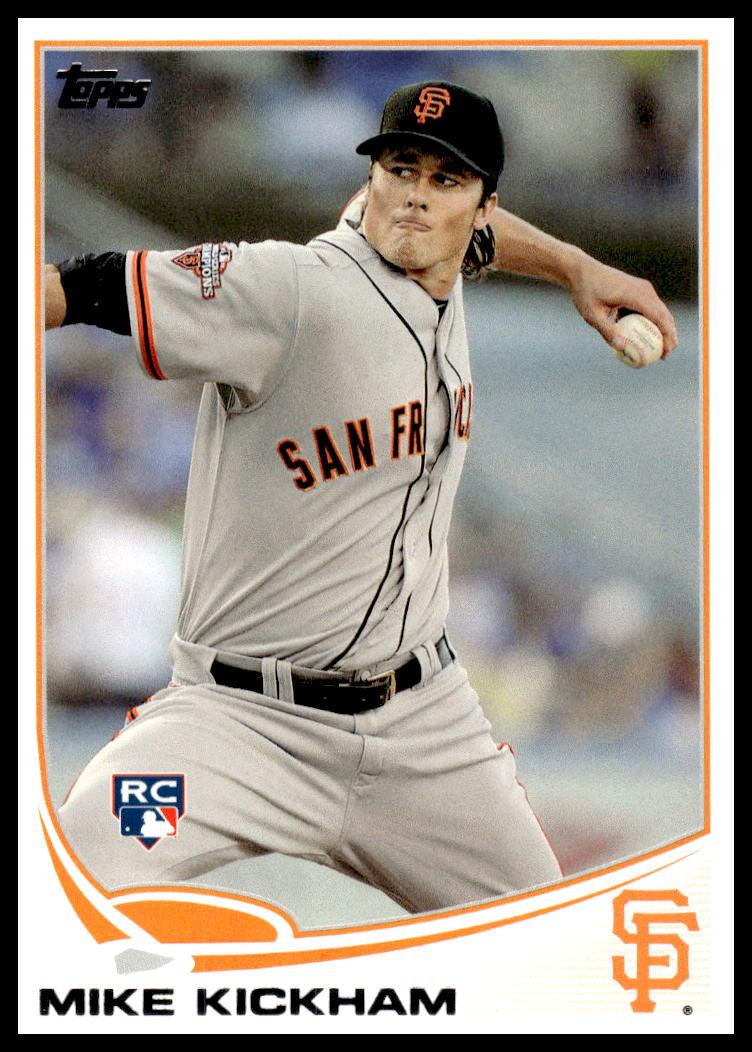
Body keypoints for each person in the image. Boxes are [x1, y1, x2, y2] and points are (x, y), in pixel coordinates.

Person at [45, 82, 677, 914]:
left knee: (549, 949)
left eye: (445, 180)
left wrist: (576, 268)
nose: (415, 194)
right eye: (399, 168)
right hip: (237, 722)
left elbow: (481, 240)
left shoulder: (447, 258)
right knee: (58, 903)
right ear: (371, 177)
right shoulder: (290, 288)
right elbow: (83, 285)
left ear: (483, 207)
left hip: (423, 729)